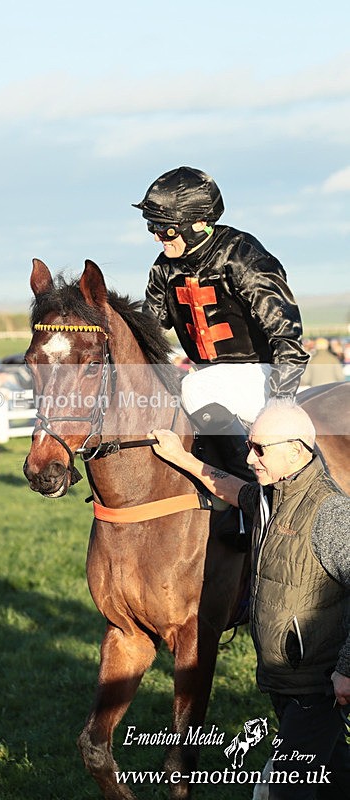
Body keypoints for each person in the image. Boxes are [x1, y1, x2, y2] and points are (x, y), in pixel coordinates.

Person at [150, 399, 349, 799]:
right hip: (283, 679)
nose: (249, 457)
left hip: (319, 684)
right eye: (249, 445)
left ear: (296, 450)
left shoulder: (332, 514)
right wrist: (182, 458)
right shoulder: (270, 496)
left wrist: (347, 668)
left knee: (285, 788)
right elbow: (232, 487)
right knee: (334, 776)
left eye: (260, 448)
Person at [133, 166, 310, 480]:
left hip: (261, 375)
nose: (159, 237)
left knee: (196, 386)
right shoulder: (163, 269)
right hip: (211, 380)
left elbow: (287, 333)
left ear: (200, 223)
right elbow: (146, 333)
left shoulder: (242, 256)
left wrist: (281, 397)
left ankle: (253, 486)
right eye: (153, 227)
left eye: (167, 229)